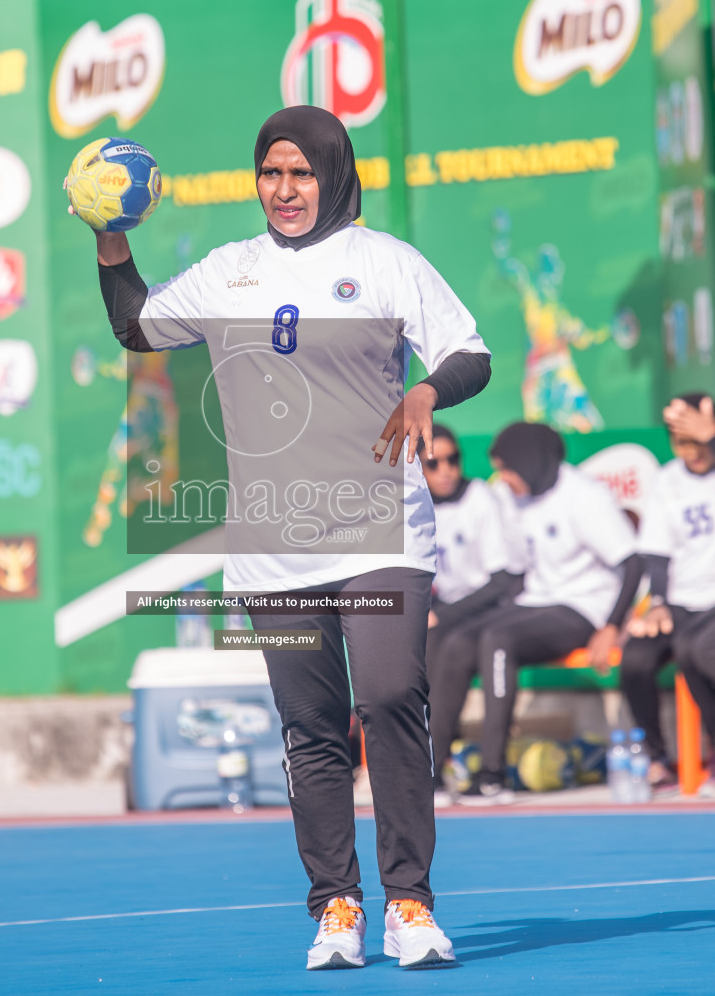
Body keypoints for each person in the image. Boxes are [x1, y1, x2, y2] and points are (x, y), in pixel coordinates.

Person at [92, 106, 490, 970]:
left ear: (333, 173)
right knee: (310, 728)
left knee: (387, 700)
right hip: (273, 548)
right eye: (271, 173)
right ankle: (338, 907)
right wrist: (110, 239)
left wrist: (426, 394)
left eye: (301, 173)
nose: (285, 189)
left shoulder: (386, 262)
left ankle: (411, 904)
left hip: (382, 531)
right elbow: (137, 329)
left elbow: (469, 352)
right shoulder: (229, 271)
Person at [425, 422, 640, 805]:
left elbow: (633, 563)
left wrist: (611, 627)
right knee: (459, 641)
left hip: (583, 606)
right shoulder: (513, 498)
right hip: (535, 602)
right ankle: (432, 773)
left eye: (507, 469)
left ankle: (493, 776)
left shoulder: (584, 497)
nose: (503, 479)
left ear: (529, 462)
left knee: (497, 640)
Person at [620, 394, 715, 794]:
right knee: (635, 658)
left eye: (698, 439)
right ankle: (657, 758)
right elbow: (657, 553)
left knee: (694, 647)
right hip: (684, 599)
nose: (692, 451)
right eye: (681, 441)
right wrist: (658, 603)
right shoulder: (668, 479)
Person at [421, 424, 523, 805]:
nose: (446, 469)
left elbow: (501, 581)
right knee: (412, 649)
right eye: (434, 463)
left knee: (446, 645)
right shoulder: (413, 505)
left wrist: (441, 616)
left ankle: (477, 771)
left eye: (453, 459)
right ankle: (426, 769)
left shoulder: (481, 498)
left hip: (492, 605)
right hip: (446, 608)